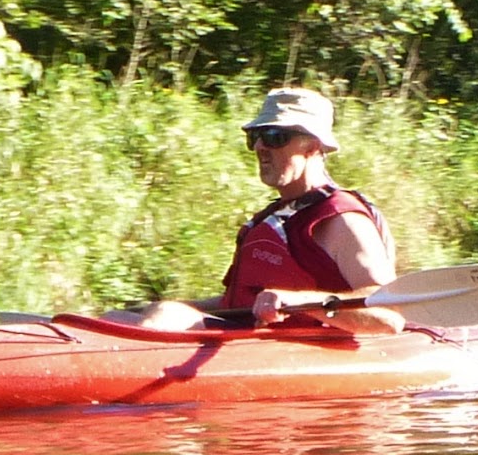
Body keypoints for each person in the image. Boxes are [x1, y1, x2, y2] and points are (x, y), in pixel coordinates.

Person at [141, 87, 405, 334]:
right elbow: (236, 304)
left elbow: (389, 315)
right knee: (137, 314)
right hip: (248, 344)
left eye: (274, 137)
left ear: (313, 147)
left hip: (304, 355)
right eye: (255, 137)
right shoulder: (279, 215)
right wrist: (176, 306)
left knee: (164, 315)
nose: (259, 147)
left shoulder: (342, 221)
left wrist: (299, 301)